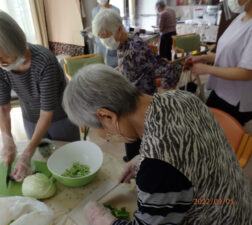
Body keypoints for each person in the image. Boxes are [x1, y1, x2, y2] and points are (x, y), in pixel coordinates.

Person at [63, 63, 252, 225]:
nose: (101, 136)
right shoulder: (183, 97)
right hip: (240, 203)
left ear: (106, 116)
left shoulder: (156, 168)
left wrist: (101, 218)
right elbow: (189, 151)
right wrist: (142, 158)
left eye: (93, 127)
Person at [0, 10, 80, 182]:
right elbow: (2, 104)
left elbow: (46, 112)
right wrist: (6, 137)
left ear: (16, 43)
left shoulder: (44, 61)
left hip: (61, 118)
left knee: (70, 163)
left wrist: (26, 153)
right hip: (30, 117)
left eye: (2, 57)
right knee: (43, 163)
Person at [92, 8, 181, 161]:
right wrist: (119, 70)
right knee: (130, 140)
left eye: (106, 37)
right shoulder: (123, 44)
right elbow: (132, 66)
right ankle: (131, 158)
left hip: (142, 105)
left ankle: (137, 166)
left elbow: (168, 69)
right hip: (129, 102)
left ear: (119, 29)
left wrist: (162, 98)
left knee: (141, 147)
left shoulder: (136, 48)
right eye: (101, 38)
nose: (104, 42)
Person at [184, 0, 252, 126]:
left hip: (235, 99)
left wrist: (206, 69)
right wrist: (204, 58)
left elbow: (247, 72)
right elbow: (229, 55)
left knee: (216, 135)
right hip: (221, 89)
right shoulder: (240, 18)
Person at [92, 0, 120, 67]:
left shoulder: (115, 10)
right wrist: (89, 30)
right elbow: (95, 27)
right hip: (99, 44)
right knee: (99, 66)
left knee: (112, 66)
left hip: (111, 42)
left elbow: (117, 26)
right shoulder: (95, 10)